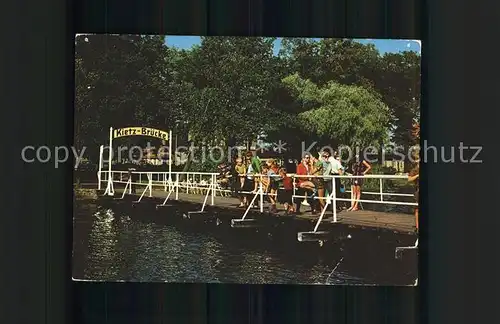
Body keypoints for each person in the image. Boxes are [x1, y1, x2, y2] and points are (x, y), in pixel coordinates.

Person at [408, 154, 420, 231]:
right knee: (417, 209)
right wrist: (417, 175)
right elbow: (409, 179)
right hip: (418, 191)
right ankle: (417, 227)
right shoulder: (415, 170)